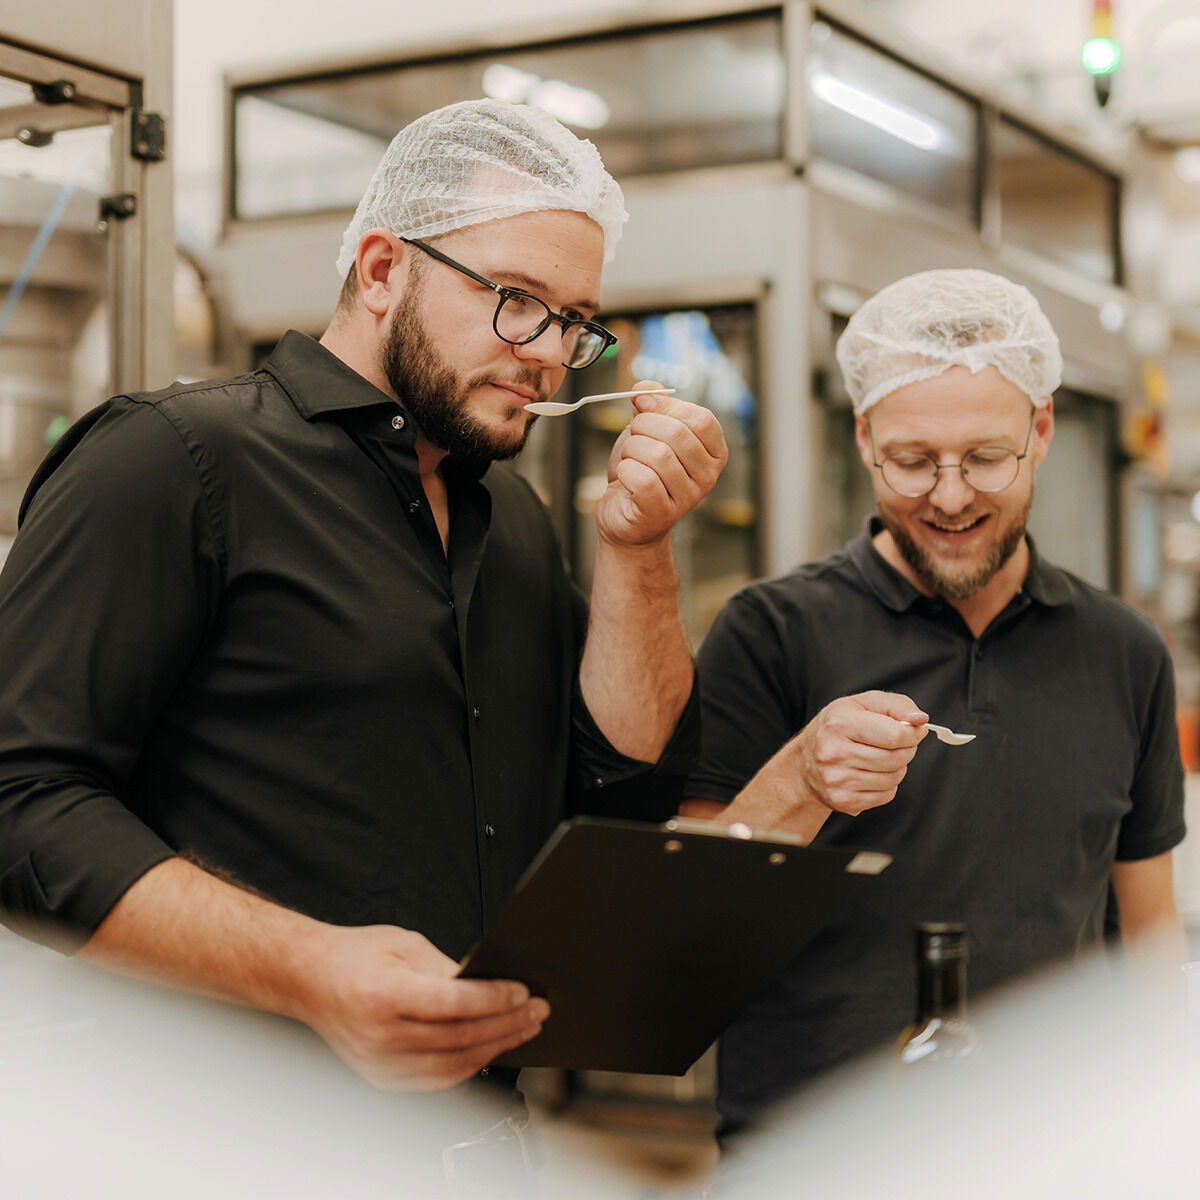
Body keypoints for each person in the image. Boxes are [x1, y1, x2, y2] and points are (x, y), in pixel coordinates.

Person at [0, 98, 727, 1116]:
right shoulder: (175, 460)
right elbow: (21, 803)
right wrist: (309, 969)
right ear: (384, 269)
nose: (552, 354)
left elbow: (627, 793)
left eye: (575, 323)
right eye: (519, 301)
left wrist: (641, 551)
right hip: (217, 1143)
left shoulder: (510, 518)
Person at [682, 268, 1187, 1138]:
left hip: (1050, 1153)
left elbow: (1146, 931)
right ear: (866, 438)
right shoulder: (771, 632)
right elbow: (686, 922)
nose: (950, 498)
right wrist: (802, 777)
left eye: (986, 458)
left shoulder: (1124, 654)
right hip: (812, 1155)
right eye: (914, 462)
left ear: (1042, 428)